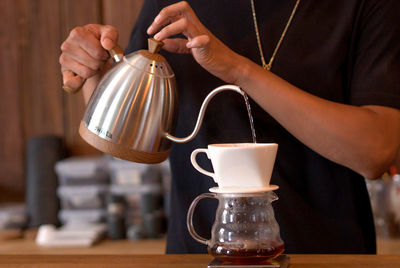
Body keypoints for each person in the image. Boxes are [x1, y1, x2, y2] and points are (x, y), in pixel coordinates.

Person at [60, 0, 400, 254]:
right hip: (199, 252)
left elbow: (374, 152)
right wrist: (96, 72)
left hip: (326, 255)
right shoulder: (173, 5)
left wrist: (238, 69)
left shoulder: (367, 7)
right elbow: (129, 138)